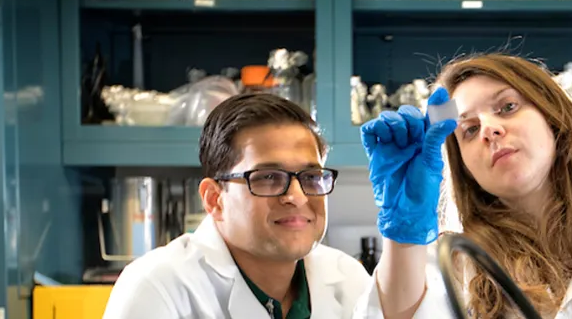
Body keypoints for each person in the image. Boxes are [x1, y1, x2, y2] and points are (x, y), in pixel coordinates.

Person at [353, 54, 572, 319]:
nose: (489, 129)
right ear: (464, 167)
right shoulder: (455, 265)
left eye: (508, 107)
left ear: (552, 117)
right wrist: (404, 236)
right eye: (469, 129)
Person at [102, 93, 371, 319]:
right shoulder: (157, 288)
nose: (298, 197)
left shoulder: (348, 279)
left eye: (311, 177)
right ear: (214, 199)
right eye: (268, 178)